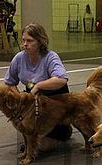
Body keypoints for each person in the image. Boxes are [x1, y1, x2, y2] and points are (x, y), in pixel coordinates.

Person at [4, 23, 72, 151]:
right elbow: (10, 82)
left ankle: (64, 128)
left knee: (42, 146)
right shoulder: (19, 58)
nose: (25, 44)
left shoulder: (51, 57)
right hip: (33, 100)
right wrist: (18, 98)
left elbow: (62, 79)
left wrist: (39, 86)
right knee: (31, 139)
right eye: (23, 40)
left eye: (29, 41)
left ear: (40, 42)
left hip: (55, 100)